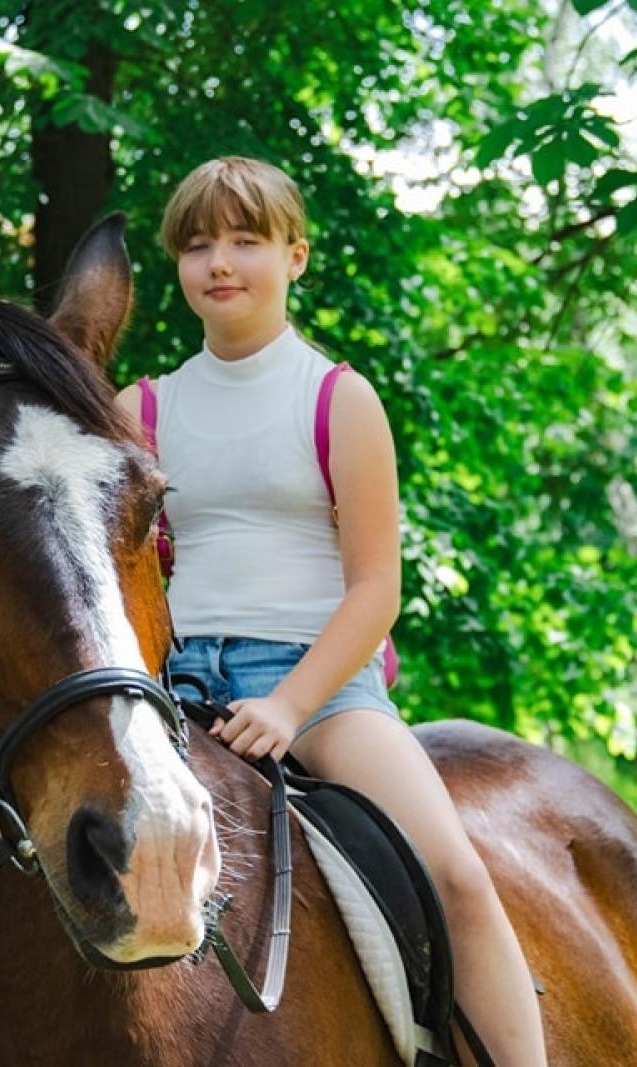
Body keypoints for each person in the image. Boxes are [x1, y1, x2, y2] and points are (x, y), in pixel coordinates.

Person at [117, 156, 548, 1067]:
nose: (219, 262)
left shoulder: (337, 399)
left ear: (295, 256)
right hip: (174, 685)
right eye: (197, 245)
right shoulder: (140, 409)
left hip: (321, 689)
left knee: (456, 878)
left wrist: (289, 704)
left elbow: (376, 587)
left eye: (246, 240)